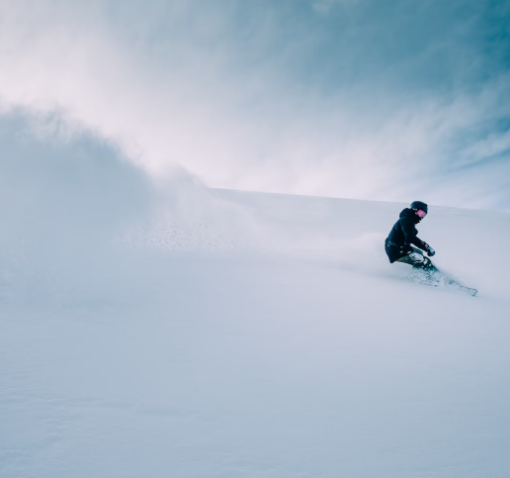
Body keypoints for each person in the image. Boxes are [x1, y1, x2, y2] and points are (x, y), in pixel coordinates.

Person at [385, 201, 437, 274]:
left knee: (419, 252)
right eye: (421, 213)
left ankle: (419, 272)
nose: (421, 217)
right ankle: (423, 277)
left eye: (423, 215)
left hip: (398, 248)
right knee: (425, 261)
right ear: (414, 210)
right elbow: (410, 238)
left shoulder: (406, 220)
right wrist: (426, 247)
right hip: (396, 251)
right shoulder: (406, 220)